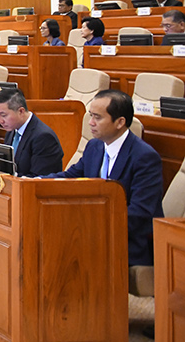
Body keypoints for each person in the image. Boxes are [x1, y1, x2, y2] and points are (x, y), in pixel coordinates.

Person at [41, 90, 163, 268]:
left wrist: (88, 227)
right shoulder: (94, 146)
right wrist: (34, 181)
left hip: (126, 243)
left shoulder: (144, 157)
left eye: (97, 117)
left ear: (120, 122)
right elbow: (70, 177)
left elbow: (139, 214)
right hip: (91, 233)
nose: (90, 123)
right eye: (90, 115)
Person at [0, 89, 63, 177]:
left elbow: (38, 179)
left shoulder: (44, 137)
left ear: (21, 111)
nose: (0, 121)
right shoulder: (12, 130)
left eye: (3, 115)